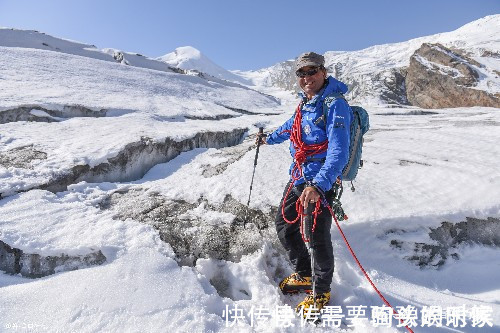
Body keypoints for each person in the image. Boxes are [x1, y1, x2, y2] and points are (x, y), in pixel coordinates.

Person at [257, 52, 351, 313]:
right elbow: (290, 127)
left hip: (319, 180)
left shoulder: (334, 105)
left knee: (317, 236)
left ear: (323, 72)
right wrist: (268, 139)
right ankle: (304, 274)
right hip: (300, 175)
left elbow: (339, 151)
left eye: (312, 71)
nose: (307, 77)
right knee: (285, 225)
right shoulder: (306, 103)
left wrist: (319, 185)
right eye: (302, 73)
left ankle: (321, 292)